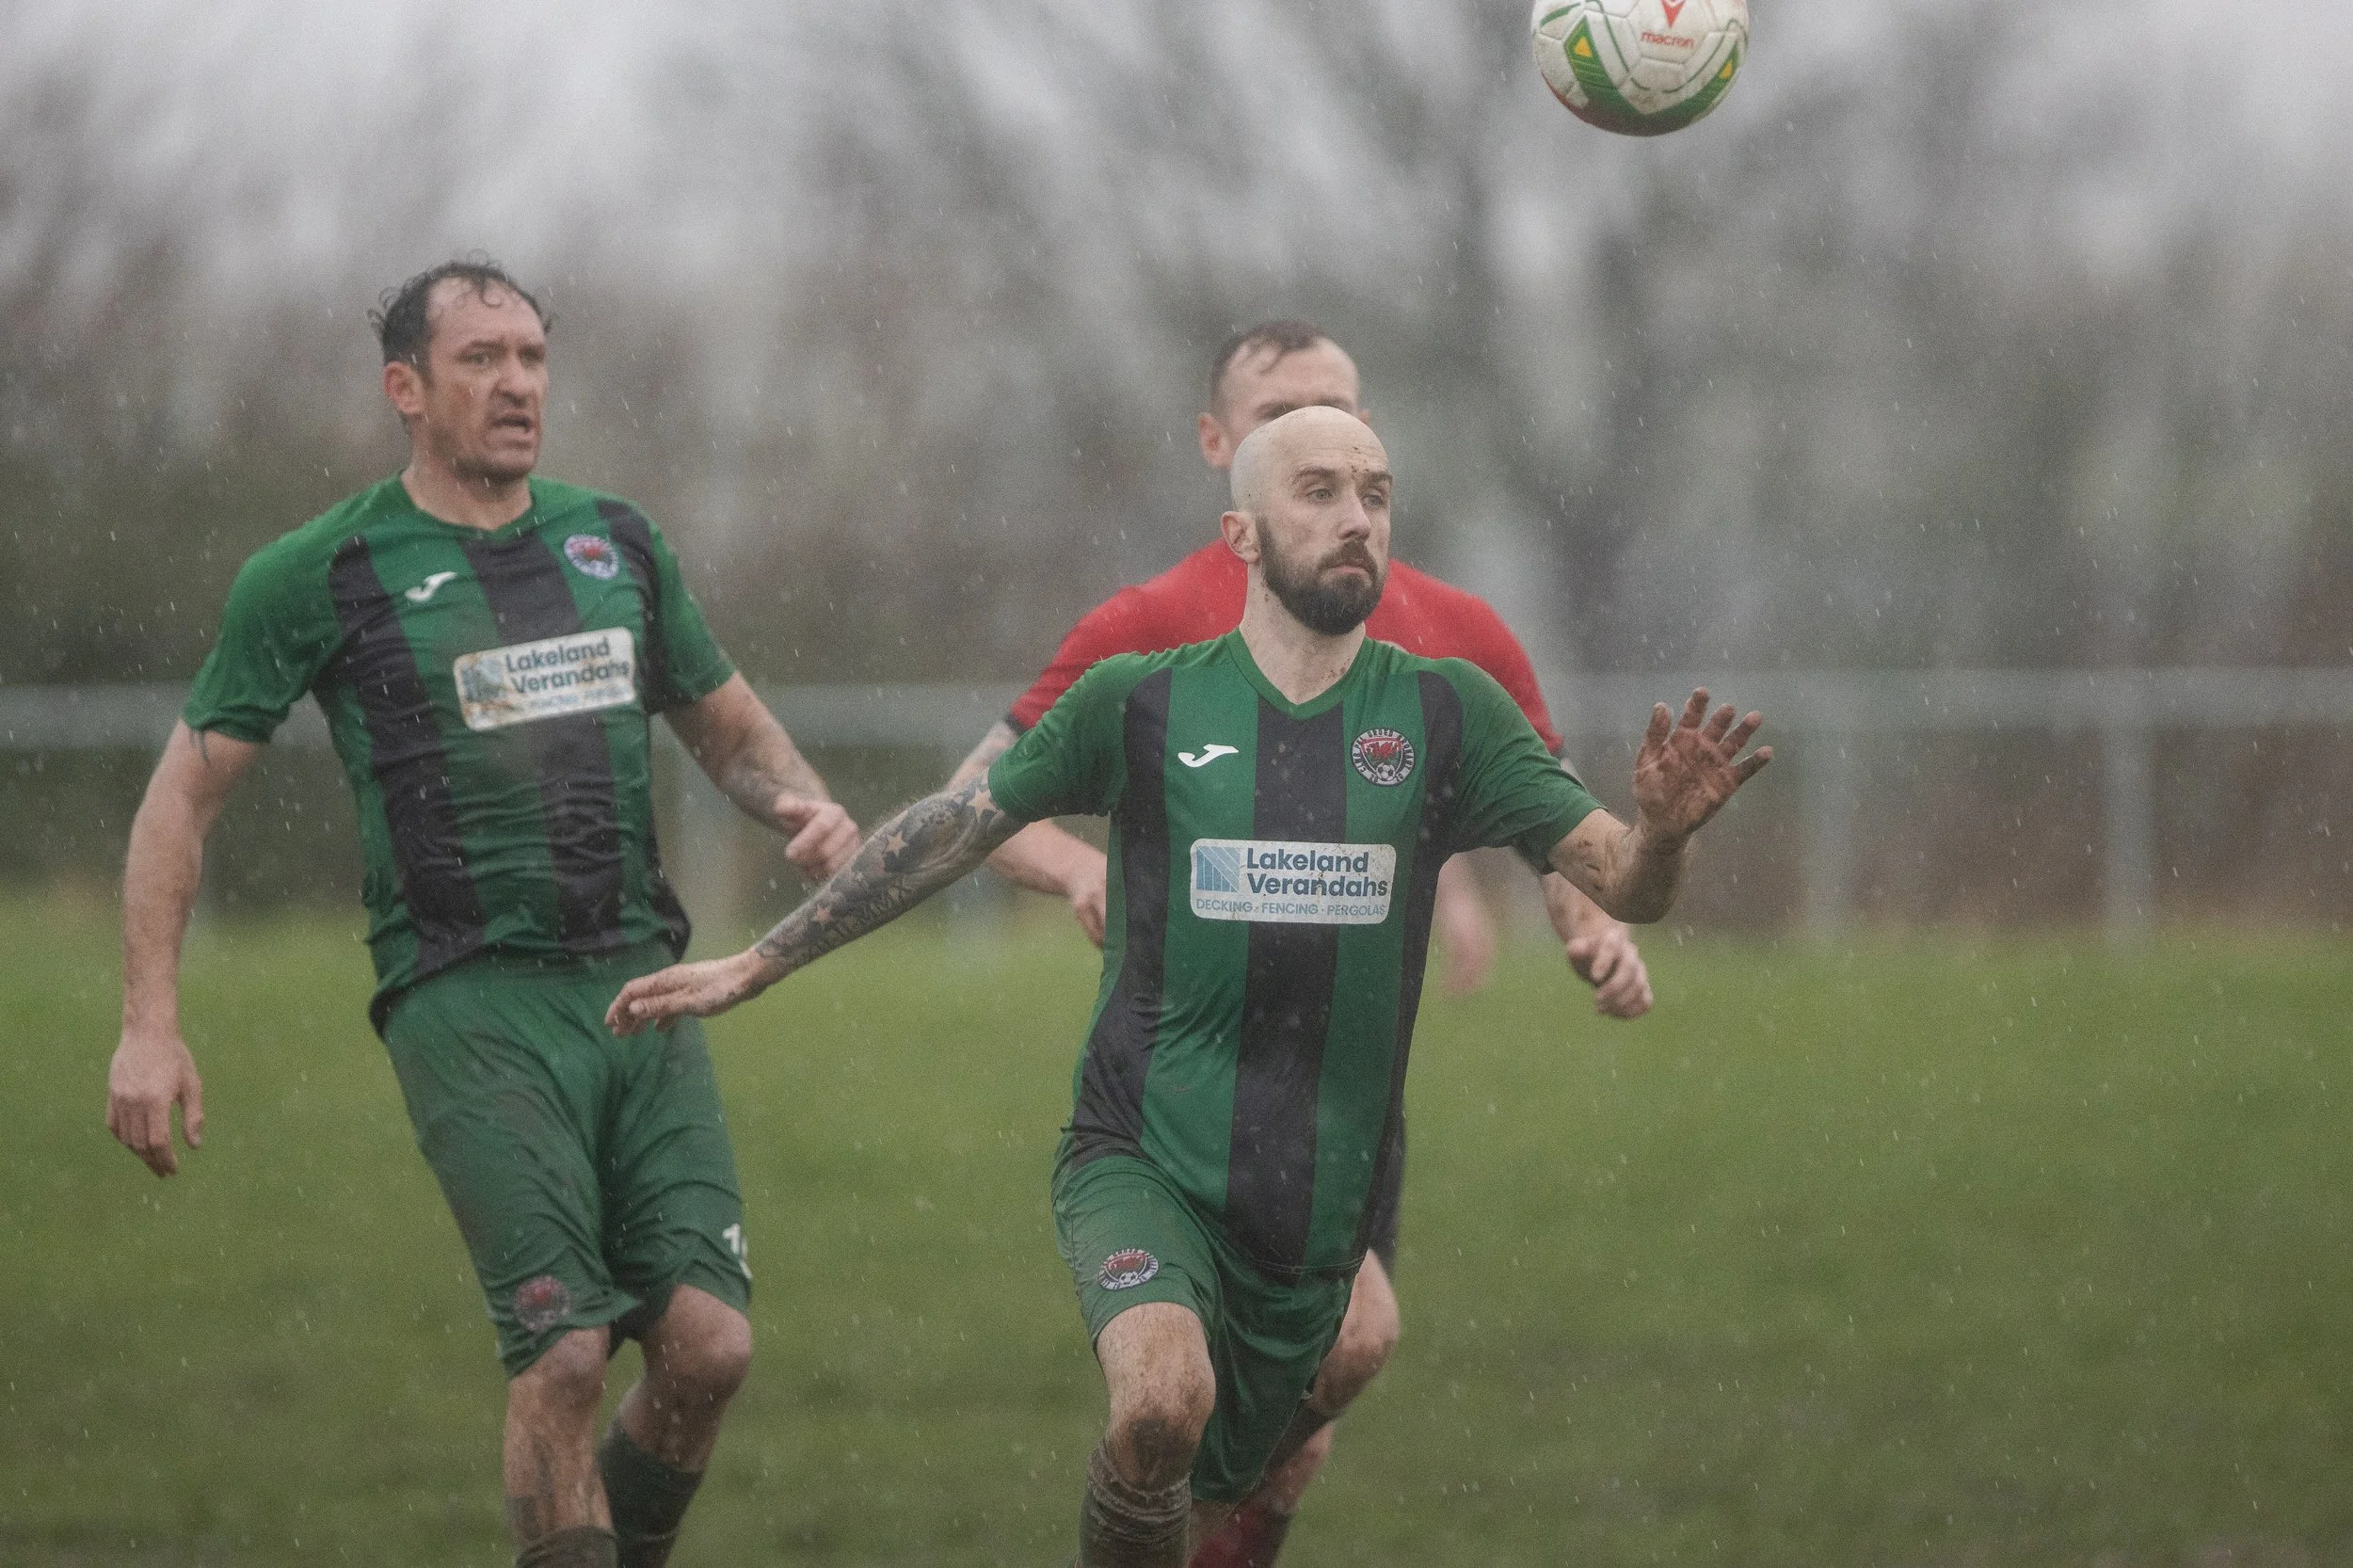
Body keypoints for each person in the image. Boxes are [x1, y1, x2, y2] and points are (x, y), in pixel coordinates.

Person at [606, 407, 1769, 1568]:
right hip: (1141, 1152)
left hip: (1315, 1200)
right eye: (1317, 490)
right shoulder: (1139, 701)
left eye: (1374, 491)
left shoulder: (1447, 713)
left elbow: (1622, 882)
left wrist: (1663, 834)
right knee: (1159, 1402)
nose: (1355, 515)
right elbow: (958, 827)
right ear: (1243, 535)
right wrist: (761, 960)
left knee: (1203, 1481)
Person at [104, 260, 862, 1568]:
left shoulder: (613, 539)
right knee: (564, 1351)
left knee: (710, 1347)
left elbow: (725, 724)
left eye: (532, 356)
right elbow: (180, 798)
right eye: (481, 359)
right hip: (467, 996)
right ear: (405, 387)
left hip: (641, 974)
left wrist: (802, 804)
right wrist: (147, 1022)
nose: (517, 383)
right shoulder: (320, 571)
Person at [944, 320, 1652, 1566]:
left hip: (1342, 1097)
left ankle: (1217, 1514)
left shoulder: (1443, 624)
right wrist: (1080, 867)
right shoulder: (1153, 629)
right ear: (1222, 448)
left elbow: (1545, 814)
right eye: (1285, 420)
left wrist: (1587, 922)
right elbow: (975, 802)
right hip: (1188, 1078)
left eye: (1346, 417)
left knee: (1336, 1376)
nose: (1326, 451)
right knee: (1179, 1398)